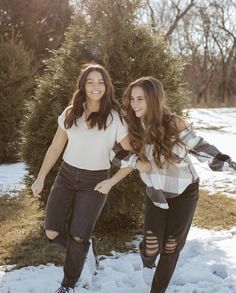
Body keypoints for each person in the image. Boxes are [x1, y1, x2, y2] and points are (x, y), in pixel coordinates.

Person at [121, 76, 236, 293]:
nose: (134, 104)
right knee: (152, 245)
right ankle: (147, 260)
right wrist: (136, 162)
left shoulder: (173, 123)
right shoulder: (131, 125)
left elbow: (199, 146)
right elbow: (116, 152)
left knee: (172, 245)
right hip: (156, 191)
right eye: (132, 99)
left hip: (185, 190)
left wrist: (227, 162)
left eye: (140, 99)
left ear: (153, 100)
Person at [31, 64, 132, 293]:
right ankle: (86, 251)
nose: (96, 87)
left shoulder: (115, 118)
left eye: (100, 82)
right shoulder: (70, 113)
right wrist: (41, 177)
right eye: (90, 82)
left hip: (94, 181)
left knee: (78, 236)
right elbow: (56, 146)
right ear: (83, 85)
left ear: (106, 87)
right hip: (66, 176)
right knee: (51, 232)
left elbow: (132, 157)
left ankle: (68, 285)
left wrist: (112, 181)